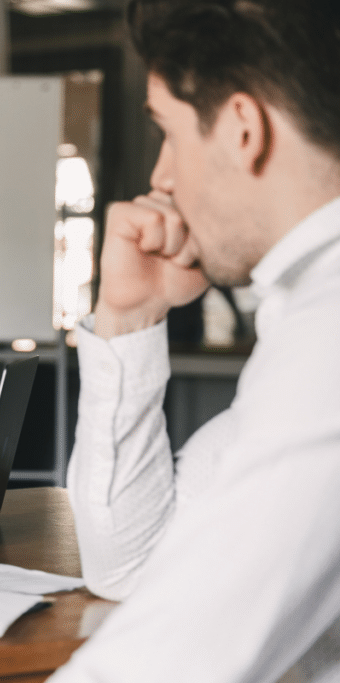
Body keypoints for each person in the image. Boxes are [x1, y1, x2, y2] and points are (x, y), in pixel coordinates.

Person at [48, 0, 340, 680]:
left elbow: (170, 661)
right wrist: (131, 317)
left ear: (242, 129)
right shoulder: (309, 317)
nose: (162, 177)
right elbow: (133, 565)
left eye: (170, 133)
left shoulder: (326, 336)